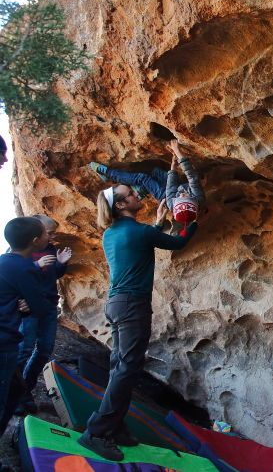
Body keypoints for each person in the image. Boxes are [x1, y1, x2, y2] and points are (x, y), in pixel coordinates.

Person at [77, 184, 197, 461]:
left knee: (120, 367)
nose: (136, 196)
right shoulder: (139, 232)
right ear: (120, 205)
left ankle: (116, 426)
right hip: (132, 306)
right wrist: (192, 220)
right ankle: (96, 432)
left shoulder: (111, 233)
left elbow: (142, 240)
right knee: (127, 369)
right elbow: (177, 242)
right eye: (130, 195)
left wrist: (158, 220)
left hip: (116, 305)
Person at [0, 218, 52, 460]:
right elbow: (40, 307)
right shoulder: (25, 268)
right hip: (4, 343)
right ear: (35, 241)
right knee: (4, 400)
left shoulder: (4, 262)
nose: (48, 237)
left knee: (14, 393)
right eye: (44, 234)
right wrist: (27, 307)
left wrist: (21, 305)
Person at [16, 214, 72, 413]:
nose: (52, 236)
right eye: (49, 233)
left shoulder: (49, 249)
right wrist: (35, 266)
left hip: (48, 306)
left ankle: (24, 391)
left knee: (44, 350)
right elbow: (12, 274)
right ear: (36, 234)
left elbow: (52, 274)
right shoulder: (22, 251)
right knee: (24, 349)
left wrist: (61, 263)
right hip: (29, 308)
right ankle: (14, 394)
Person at [89, 140, 205, 223]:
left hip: (164, 195)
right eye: (185, 196)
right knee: (155, 172)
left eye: (180, 197)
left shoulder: (171, 202)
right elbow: (191, 175)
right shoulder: (197, 194)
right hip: (176, 185)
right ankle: (140, 190)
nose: (182, 194)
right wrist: (176, 158)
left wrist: (173, 167)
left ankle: (109, 173)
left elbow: (172, 187)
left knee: (142, 178)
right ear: (193, 198)